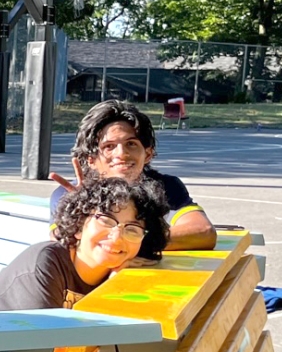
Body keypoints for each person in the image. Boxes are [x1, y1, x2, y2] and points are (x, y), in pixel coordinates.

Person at [0, 177, 169, 313]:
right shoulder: (47, 262)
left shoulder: (125, 273)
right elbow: (49, 349)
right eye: (106, 220)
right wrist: (108, 293)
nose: (116, 236)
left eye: (132, 228)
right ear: (80, 225)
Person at [49, 100, 216, 251]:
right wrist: (80, 207)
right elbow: (63, 242)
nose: (122, 154)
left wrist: (128, 243)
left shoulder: (165, 186)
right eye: (109, 146)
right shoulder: (70, 193)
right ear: (90, 159)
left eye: (131, 144)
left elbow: (203, 232)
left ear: (148, 154)